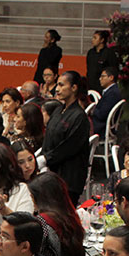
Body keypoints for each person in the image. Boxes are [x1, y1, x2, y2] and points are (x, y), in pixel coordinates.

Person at [42, 71, 91, 202]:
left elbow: (70, 147)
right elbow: (48, 137)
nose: (57, 89)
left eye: (61, 85)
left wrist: (46, 158)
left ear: (74, 88)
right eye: (57, 85)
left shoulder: (79, 117)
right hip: (52, 173)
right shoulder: (58, 110)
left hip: (69, 178)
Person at [91, 66, 122, 136]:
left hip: (102, 126)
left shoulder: (113, 93)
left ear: (111, 77)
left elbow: (102, 115)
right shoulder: (111, 91)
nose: (100, 79)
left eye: (102, 76)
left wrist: (93, 109)